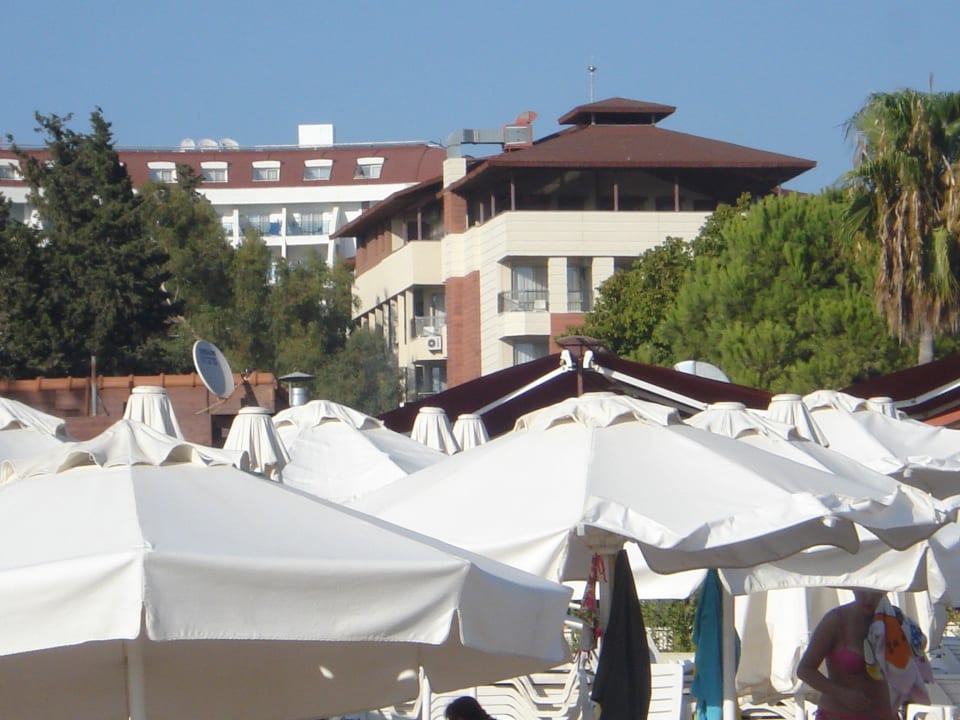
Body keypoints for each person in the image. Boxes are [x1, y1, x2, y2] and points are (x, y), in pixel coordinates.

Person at [797, 590, 897, 720]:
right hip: (838, 714)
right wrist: (841, 693)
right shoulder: (836, 621)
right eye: (863, 591)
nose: (869, 598)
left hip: (883, 714)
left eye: (875, 593)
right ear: (853, 588)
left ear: (885, 590)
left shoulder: (895, 619)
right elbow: (804, 670)